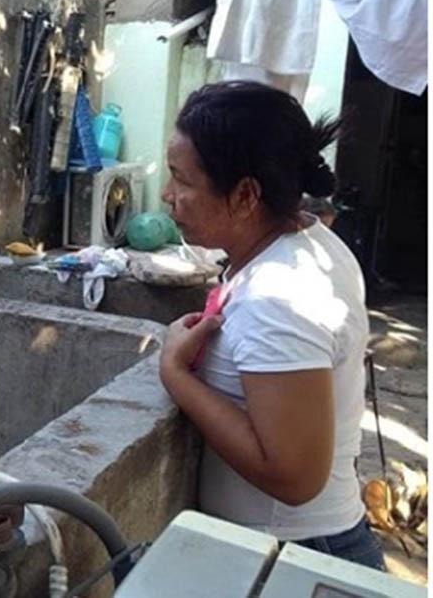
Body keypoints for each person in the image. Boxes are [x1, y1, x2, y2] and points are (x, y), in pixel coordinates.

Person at [158, 81, 384, 570]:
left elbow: (296, 478)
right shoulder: (308, 239)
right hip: (297, 547)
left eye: (182, 180)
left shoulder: (279, 297)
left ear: (244, 195)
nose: (166, 194)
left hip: (296, 556)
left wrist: (175, 372)